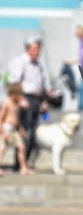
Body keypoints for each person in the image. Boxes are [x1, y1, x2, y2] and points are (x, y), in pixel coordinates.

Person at [7, 37, 48, 166]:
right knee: (26, 132)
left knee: (33, 134)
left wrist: (44, 101)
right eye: (34, 49)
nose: (37, 52)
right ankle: (19, 165)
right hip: (25, 100)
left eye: (38, 49)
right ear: (27, 49)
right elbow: (13, 84)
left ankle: (25, 164)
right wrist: (20, 99)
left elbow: (41, 85)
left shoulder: (38, 65)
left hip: (36, 101)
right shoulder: (20, 62)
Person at [0, 83, 34, 176]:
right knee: (2, 149)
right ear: (13, 93)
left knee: (21, 147)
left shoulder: (17, 104)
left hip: (15, 129)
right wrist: (4, 133)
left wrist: (21, 129)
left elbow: (17, 119)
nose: (20, 96)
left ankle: (23, 168)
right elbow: (1, 119)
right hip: (7, 128)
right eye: (19, 94)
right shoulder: (7, 103)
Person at [64, 26, 83, 111]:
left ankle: (81, 109)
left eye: (78, 31)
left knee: (82, 89)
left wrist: (69, 62)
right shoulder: (82, 43)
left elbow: (82, 58)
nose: (76, 33)